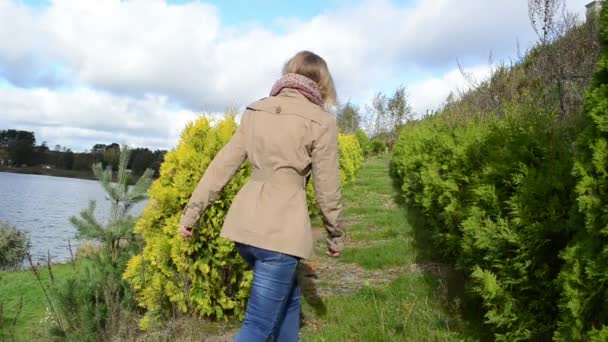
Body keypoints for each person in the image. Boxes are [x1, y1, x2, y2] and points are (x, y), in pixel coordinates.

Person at [178, 50, 344, 341]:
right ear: (323, 82)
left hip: (245, 231)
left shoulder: (257, 111)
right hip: (280, 234)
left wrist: (191, 214)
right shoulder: (321, 121)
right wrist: (335, 234)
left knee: (290, 300)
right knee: (256, 327)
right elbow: (327, 187)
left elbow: (221, 167)